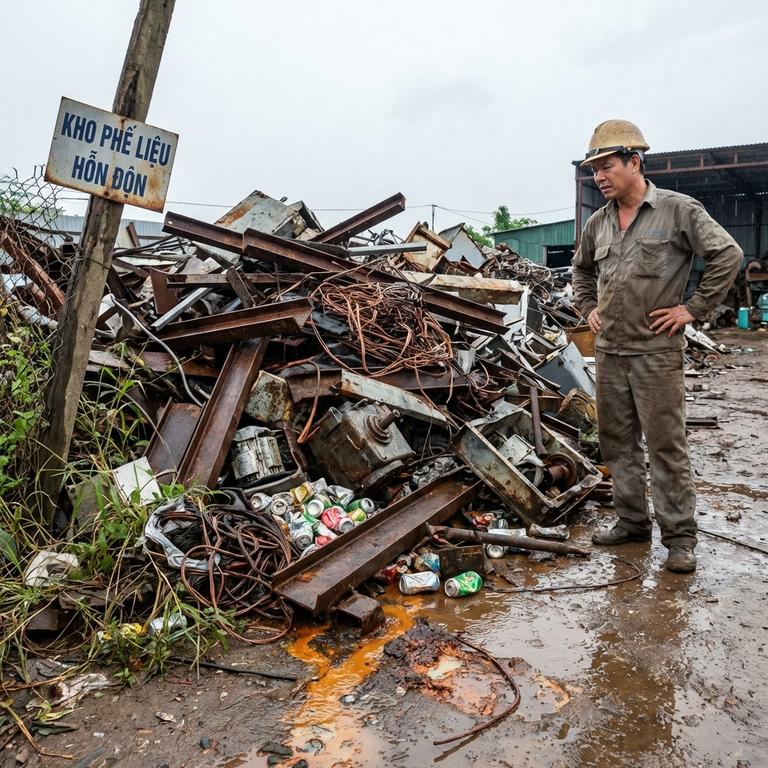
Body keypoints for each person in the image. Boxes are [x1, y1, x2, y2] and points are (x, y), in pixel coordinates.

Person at [572, 119, 742, 573]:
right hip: (610, 351)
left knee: (666, 446)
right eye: (594, 170)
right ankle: (631, 522)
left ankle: (680, 537)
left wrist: (693, 309)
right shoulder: (598, 222)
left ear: (634, 161)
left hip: (656, 353)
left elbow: (727, 254)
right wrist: (588, 305)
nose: (599, 177)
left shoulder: (677, 210)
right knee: (616, 442)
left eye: (606, 167)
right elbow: (581, 270)